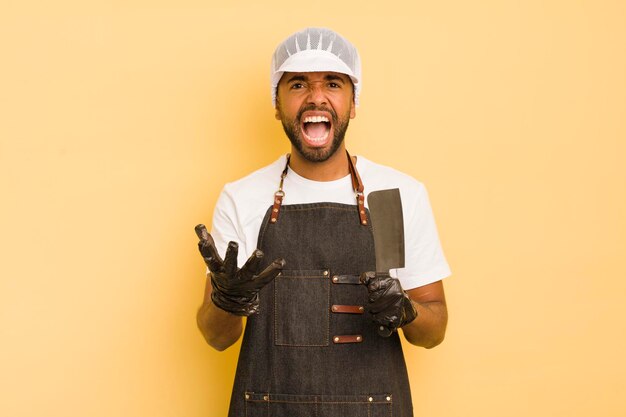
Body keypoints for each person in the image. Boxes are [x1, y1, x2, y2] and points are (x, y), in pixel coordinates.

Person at [195, 27, 450, 417]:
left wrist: (408, 311)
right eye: (297, 84)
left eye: (333, 83)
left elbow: (434, 332)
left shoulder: (391, 195)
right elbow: (216, 337)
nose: (316, 97)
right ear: (277, 104)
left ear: (353, 102)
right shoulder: (243, 197)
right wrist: (226, 300)